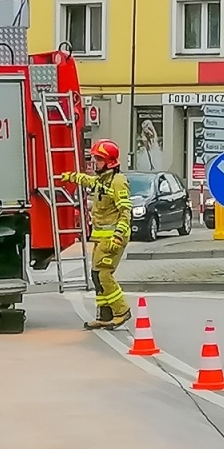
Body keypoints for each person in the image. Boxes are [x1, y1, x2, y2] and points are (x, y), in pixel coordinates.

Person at [61, 140, 132, 329]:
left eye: (98, 159)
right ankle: (104, 315)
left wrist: (117, 237)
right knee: (96, 275)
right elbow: (89, 181)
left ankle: (121, 311)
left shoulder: (118, 182)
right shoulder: (103, 180)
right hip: (101, 238)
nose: (95, 163)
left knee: (104, 274)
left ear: (109, 162)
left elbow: (125, 211)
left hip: (112, 239)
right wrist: (71, 177)